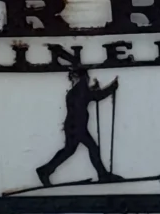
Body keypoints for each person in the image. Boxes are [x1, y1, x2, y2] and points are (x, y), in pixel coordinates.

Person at [36, 57, 119, 186]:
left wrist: (95, 88)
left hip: (74, 126)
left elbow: (89, 95)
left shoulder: (76, 89)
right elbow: (96, 96)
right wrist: (112, 87)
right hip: (77, 127)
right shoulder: (80, 88)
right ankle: (102, 175)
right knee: (91, 149)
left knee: (69, 151)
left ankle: (45, 170)